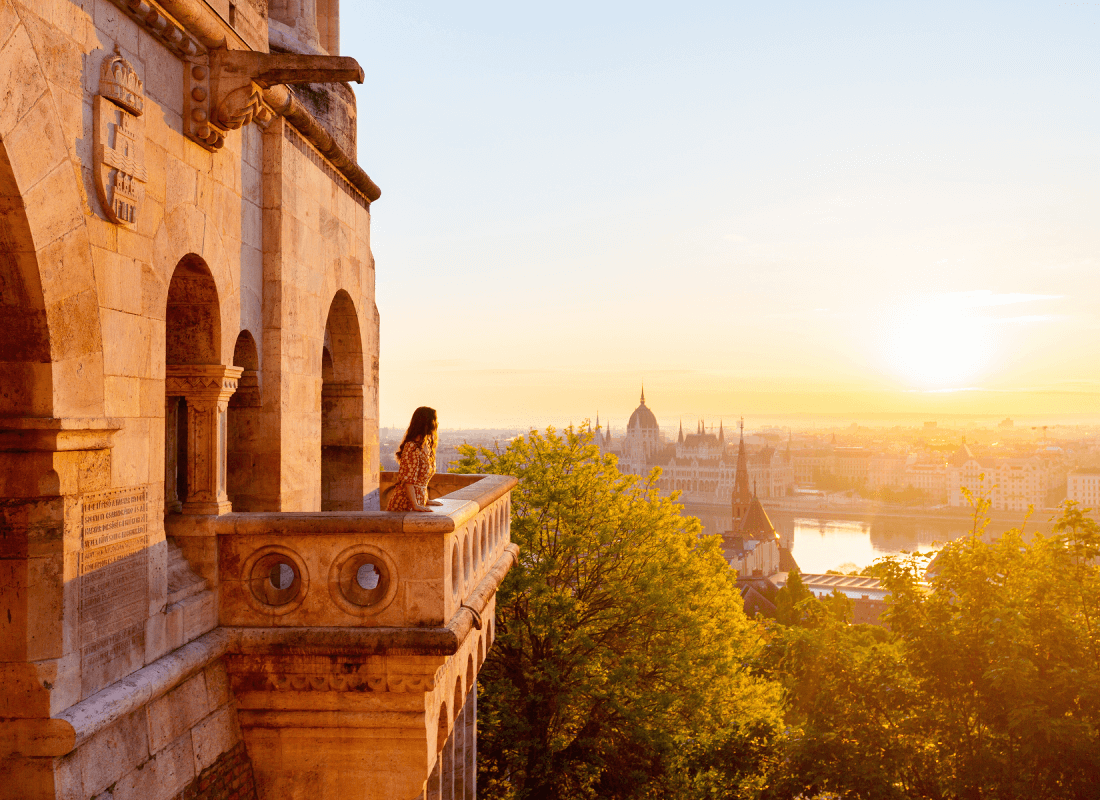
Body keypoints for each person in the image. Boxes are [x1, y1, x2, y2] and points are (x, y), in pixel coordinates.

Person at [387, 406, 444, 512]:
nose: (437, 424)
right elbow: (408, 481)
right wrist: (415, 505)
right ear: (426, 423)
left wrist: (426, 499)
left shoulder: (425, 445)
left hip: (418, 501)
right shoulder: (412, 446)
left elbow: (421, 480)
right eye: (435, 420)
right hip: (406, 504)